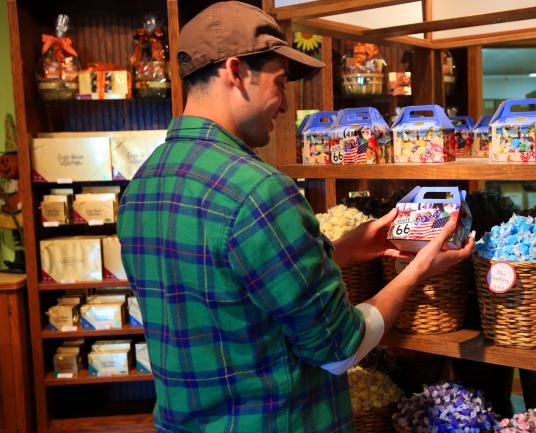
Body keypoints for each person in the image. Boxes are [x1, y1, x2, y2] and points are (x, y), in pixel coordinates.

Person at [116, 2, 473, 432]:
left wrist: (339, 251)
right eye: (279, 83)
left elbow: (229, 285)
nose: (284, 105)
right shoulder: (258, 190)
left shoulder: (142, 185)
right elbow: (340, 349)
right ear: (235, 71)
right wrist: (416, 272)